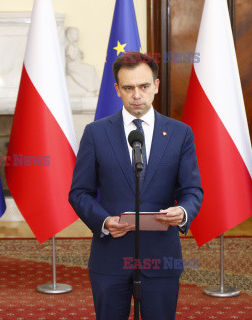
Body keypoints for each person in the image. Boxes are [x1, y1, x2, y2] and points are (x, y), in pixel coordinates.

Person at [69, 52, 203, 320]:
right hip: (111, 257)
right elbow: (79, 193)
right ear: (117, 90)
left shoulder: (180, 133)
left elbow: (191, 190)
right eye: (128, 88)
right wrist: (104, 221)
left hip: (161, 257)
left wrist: (184, 212)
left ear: (156, 85)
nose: (137, 95)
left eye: (143, 86)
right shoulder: (96, 133)